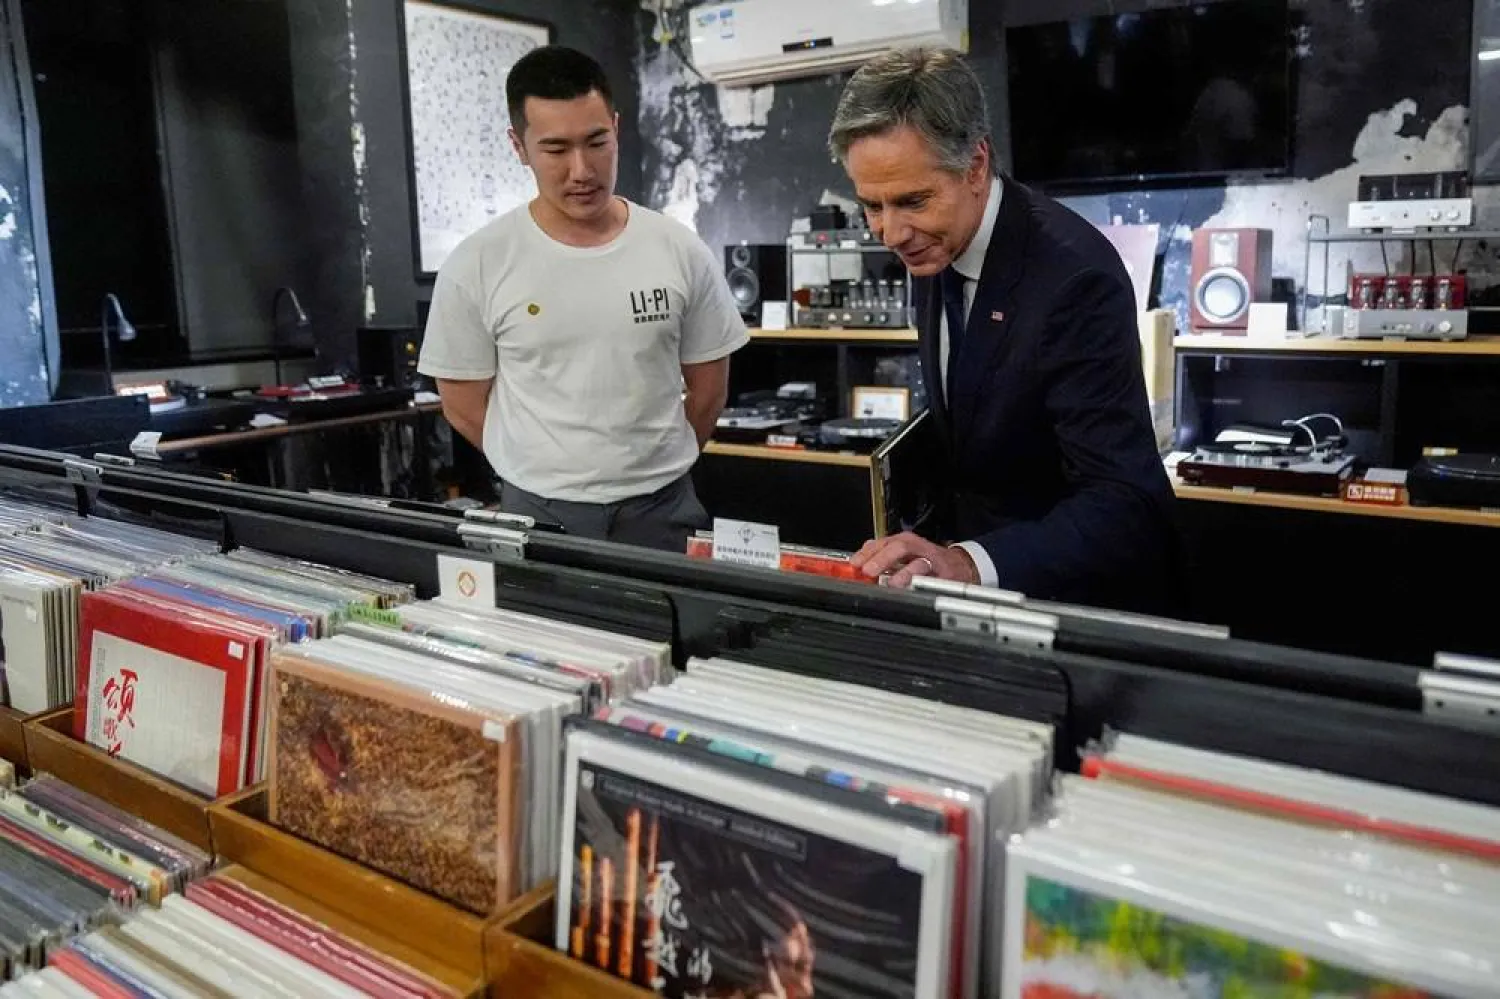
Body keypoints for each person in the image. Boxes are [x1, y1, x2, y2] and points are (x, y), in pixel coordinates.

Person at [828, 48, 1182, 614]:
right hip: (980, 597)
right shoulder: (933, 242)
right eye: (871, 205)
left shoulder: (1075, 277)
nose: (890, 232)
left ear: (975, 166)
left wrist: (968, 562)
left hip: (1072, 606)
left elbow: (1124, 501)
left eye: (911, 201)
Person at [417, 46, 747, 552]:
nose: (582, 170)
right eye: (555, 149)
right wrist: (544, 469)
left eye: (597, 142)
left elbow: (708, 392)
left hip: (662, 509)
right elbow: (461, 405)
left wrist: (647, 468)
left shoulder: (678, 248)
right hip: (538, 511)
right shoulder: (478, 262)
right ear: (519, 147)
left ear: (615, 127)